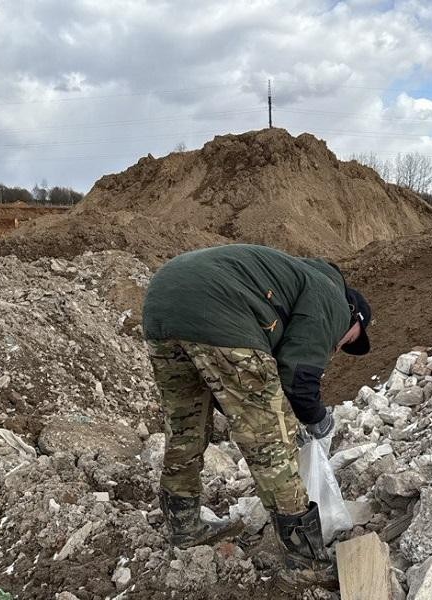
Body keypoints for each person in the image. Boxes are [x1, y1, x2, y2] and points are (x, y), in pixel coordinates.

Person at [142, 243, 371, 583]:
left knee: (186, 425)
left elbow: (238, 389)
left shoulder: (291, 277)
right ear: (355, 316)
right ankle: (305, 562)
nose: (341, 346)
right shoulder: (333, 299)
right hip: (217, 311)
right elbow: (298, 379)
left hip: (162, 302)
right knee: (271, 443)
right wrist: (318, 421)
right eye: (350, 340)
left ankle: (184, 526)